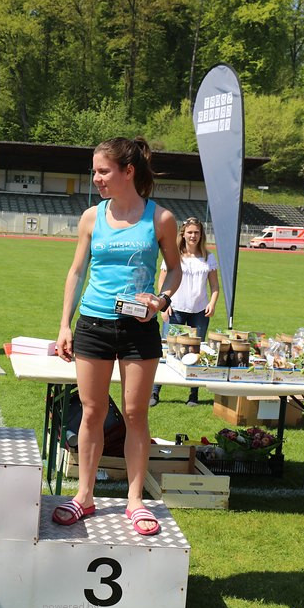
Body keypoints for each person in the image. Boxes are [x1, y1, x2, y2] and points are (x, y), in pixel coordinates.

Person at [55, 137, 181, 536]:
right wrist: (64, 324)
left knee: (134, 414)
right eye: (95, 171)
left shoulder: (160, 219)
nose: (96, 178)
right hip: (93, 323)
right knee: (91, 412)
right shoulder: (91, 217)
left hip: (138, 329)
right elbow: (76, 272)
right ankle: (85, 495)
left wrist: (160, 301)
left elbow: (175, 270)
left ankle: (135, 500)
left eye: (104, 171)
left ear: (128, 171)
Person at [151, 216, 219, 407]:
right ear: (183, 233)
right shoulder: (174, 255)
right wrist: (164, 304)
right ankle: (155, 392)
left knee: (195, 352)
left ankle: (193, 395)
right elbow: (162, 281)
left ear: (201, 235)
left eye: (197, 232)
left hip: (199, 312)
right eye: (190, 232)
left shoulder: (208, 257)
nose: (193, 236)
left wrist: (212, 303)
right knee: (167, 351)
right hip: (175, 309)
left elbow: (215, 286)